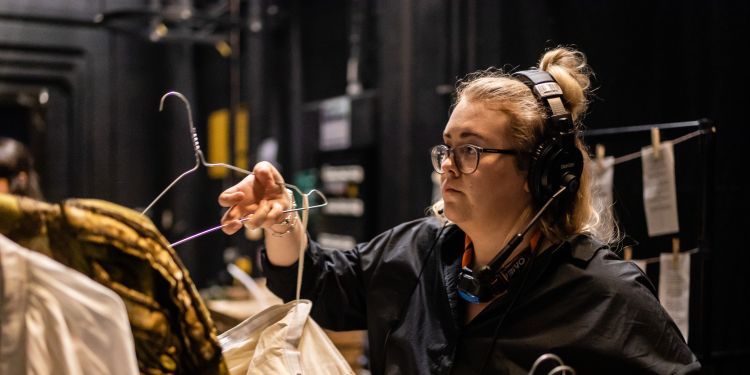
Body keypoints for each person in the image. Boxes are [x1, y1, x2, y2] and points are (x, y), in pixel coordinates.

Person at [218, 47, 701, 374]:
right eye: (446, 148)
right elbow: (316, 284)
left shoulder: (606, 295)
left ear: (542, 172)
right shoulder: (417, 249)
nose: (447, 166)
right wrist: (282, 217)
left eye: (470, 150)